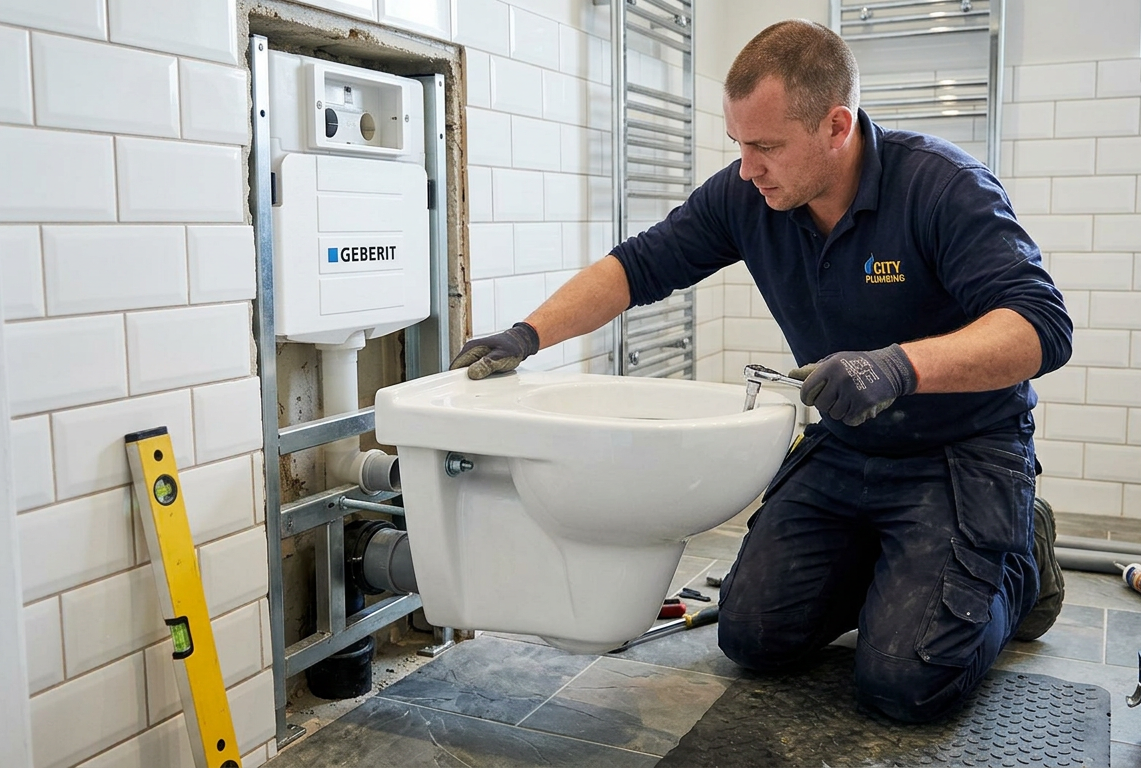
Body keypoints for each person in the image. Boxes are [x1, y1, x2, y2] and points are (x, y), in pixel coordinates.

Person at [449, 19, 1072, 723]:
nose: (748, 168)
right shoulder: (750, 195)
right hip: (847, 448)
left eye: (766, 146)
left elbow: (1041, 329)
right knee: (754, 639)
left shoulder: (942, 187)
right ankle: (904, 569)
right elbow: (639, 265)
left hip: (958, 453)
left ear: (836, 126)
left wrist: (899, 367)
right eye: (739, 144)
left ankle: (1019, 565)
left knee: (906, 683)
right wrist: (527, 334)